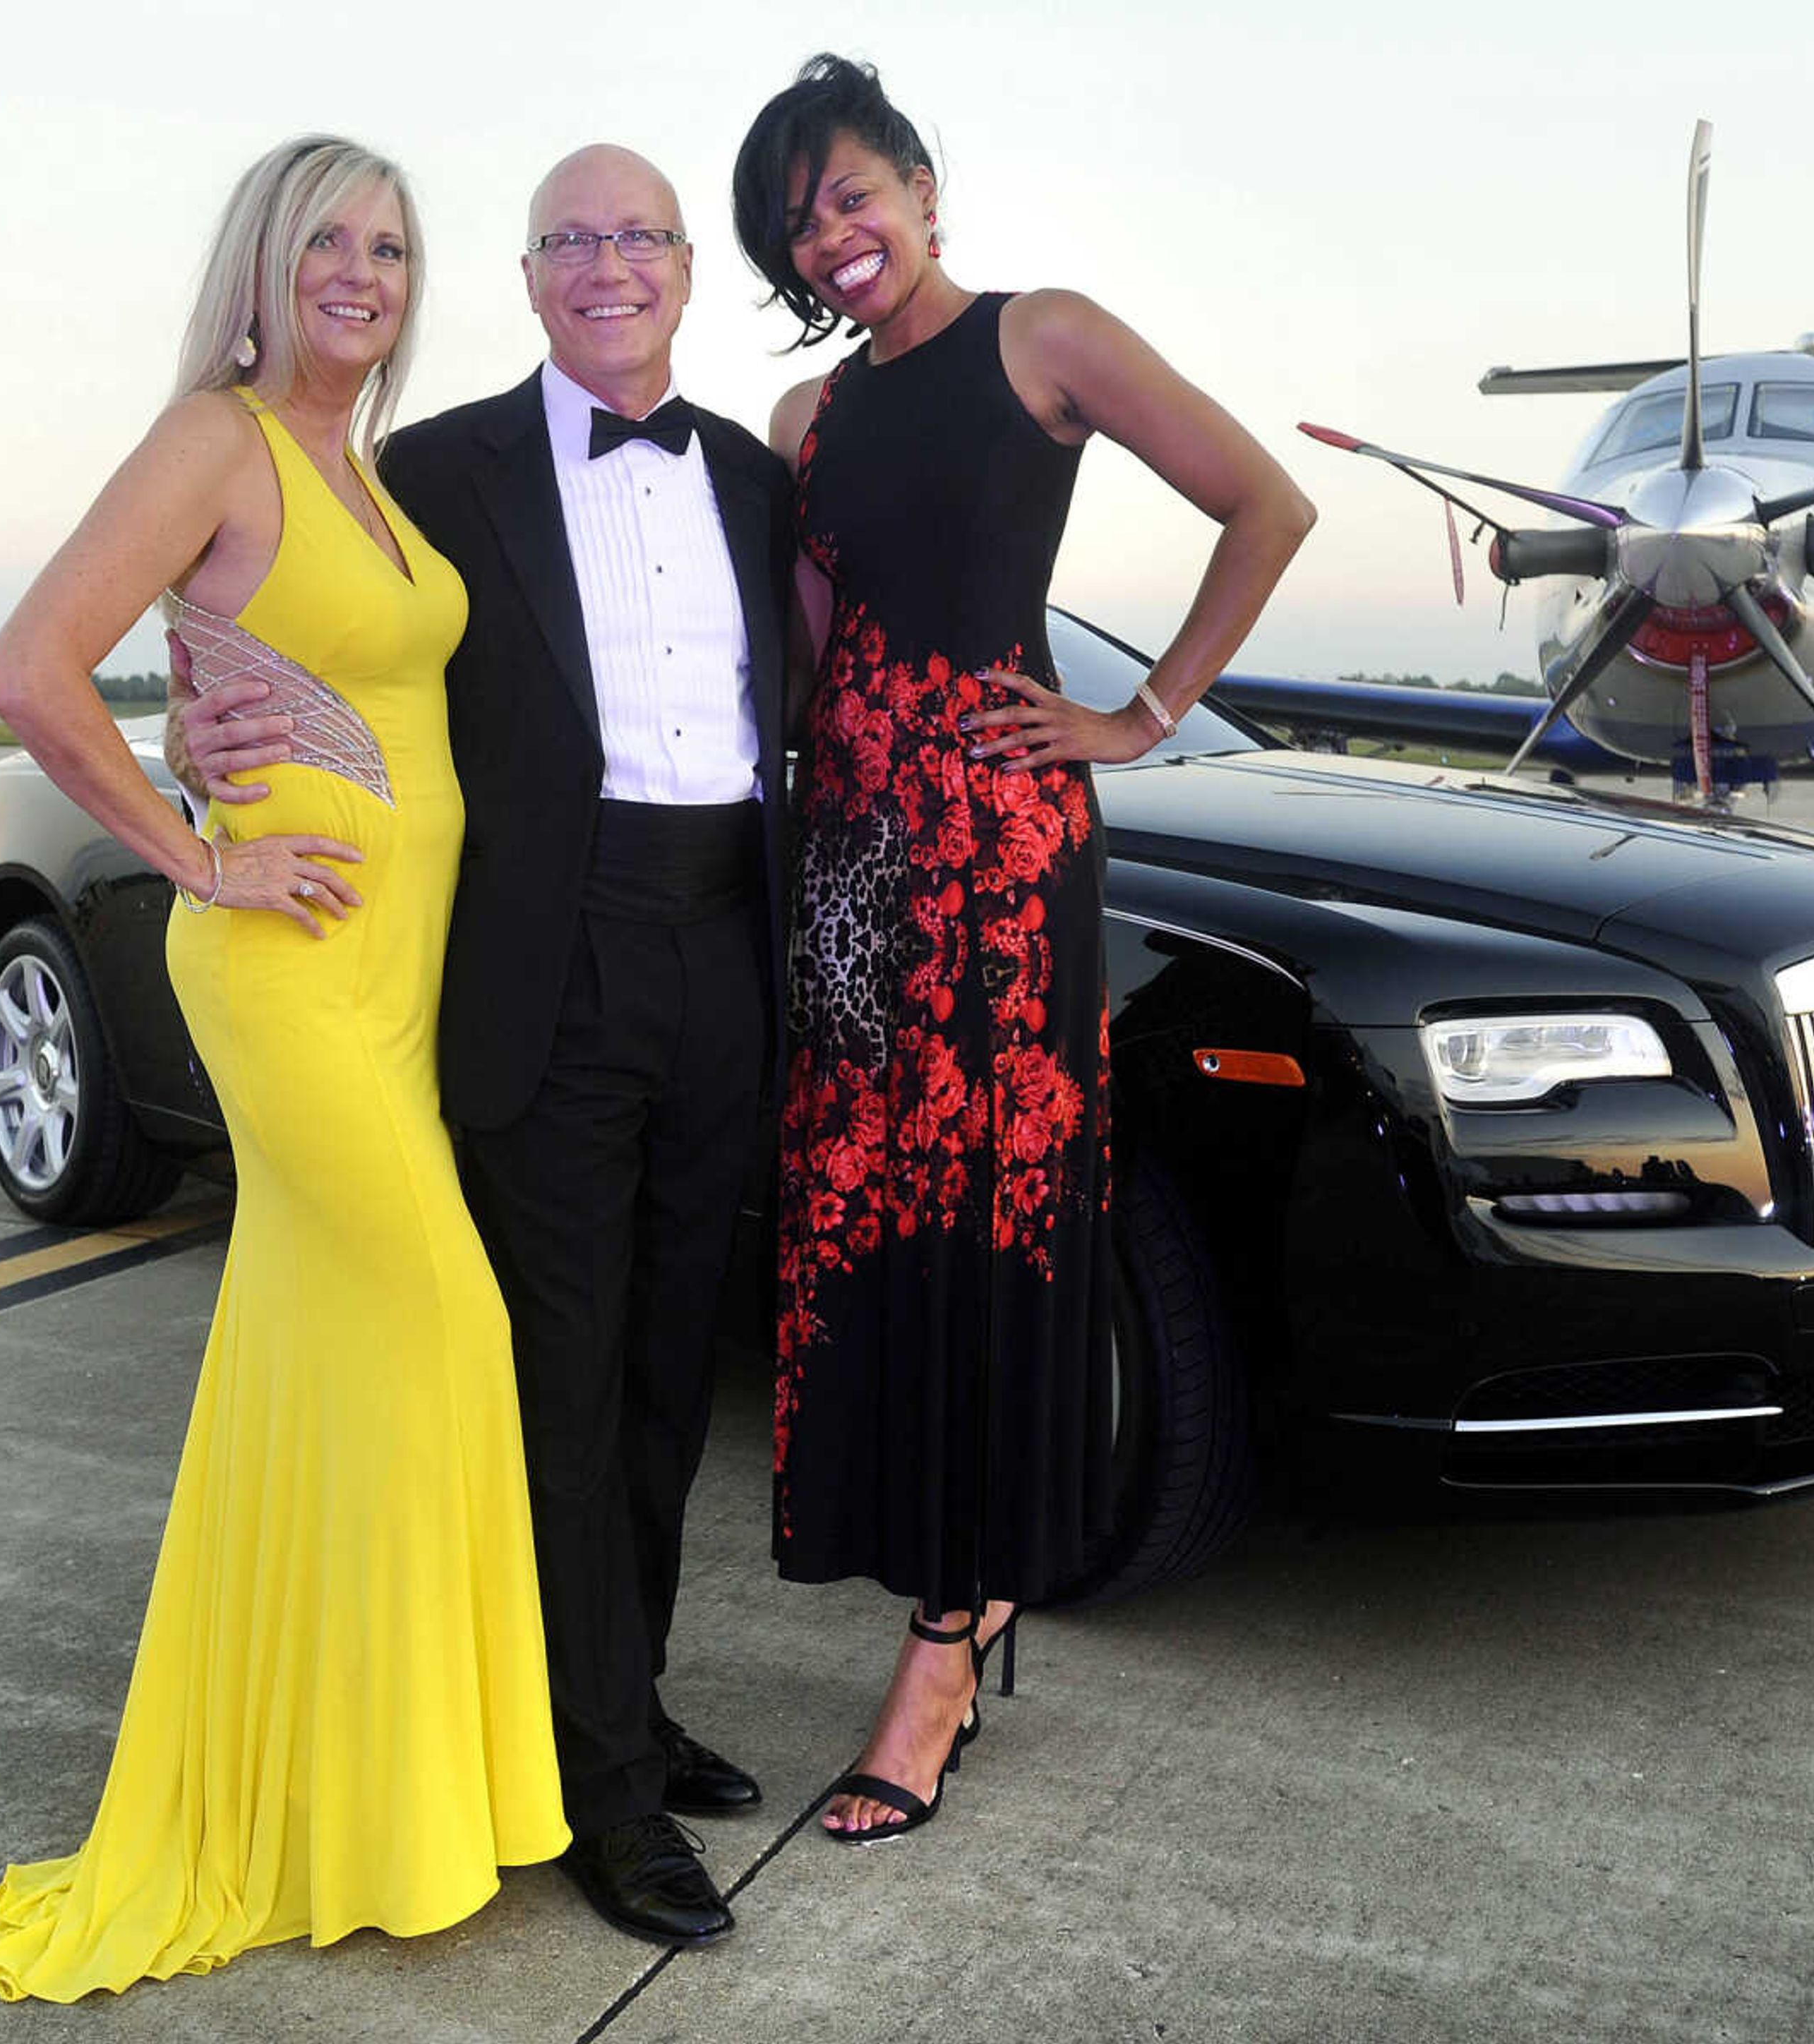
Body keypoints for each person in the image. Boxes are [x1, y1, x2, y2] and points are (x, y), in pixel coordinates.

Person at [0, 135, 567, 2000]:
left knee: (316, 1370)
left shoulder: (357, 469)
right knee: (443, 1328)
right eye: (332, 242)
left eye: (392, 245)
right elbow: (28, 663)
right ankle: (368, 1807)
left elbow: (339, 673)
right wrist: (200, 847)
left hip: (396, 979)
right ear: (265, 263)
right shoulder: (216, 435)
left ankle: (361, 1807)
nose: (365, 273)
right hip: (287, 972)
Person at [174, 143, 791, 1949]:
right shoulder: (422, 470)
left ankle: (621, 1701)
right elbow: (251, 615)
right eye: (572, 242)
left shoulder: (754, 479)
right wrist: (201, 751)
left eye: (643, 239)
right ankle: (598, 1789)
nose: (611, 266)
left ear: (687, 272)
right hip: (547, 966)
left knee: (672, 1379)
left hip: (724, 955)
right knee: (558, 1381)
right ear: (526, 280)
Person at [730, 55, 1316, 1844]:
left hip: (999, 845)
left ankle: (949, 1649)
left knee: (989, 1215)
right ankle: (933, 1581)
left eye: (851, 195)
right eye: (796, 223)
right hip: (850, 858)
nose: (833, 238)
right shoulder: (803, 425)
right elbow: (806, 656)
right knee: (865, 1212)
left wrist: (1144, 710)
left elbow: (1266, 503)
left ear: (920, 182)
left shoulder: (1043, 337)